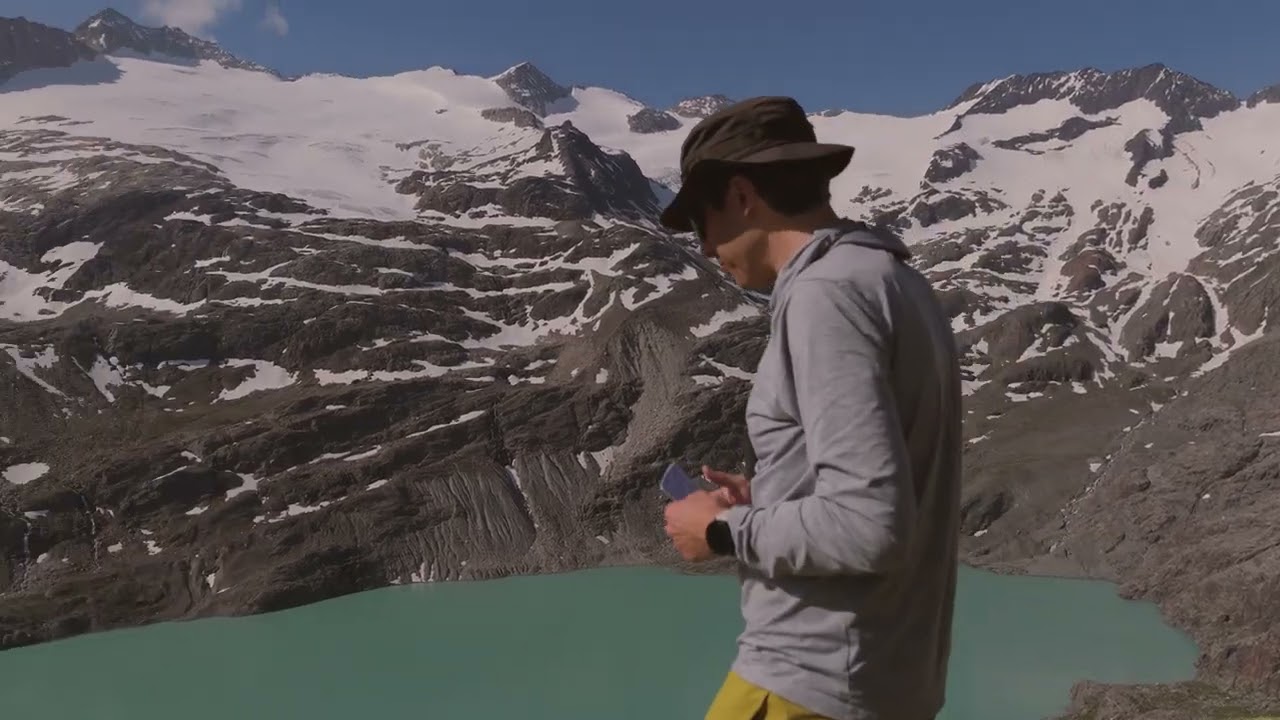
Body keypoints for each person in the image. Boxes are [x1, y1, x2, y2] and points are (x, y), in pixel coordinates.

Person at [659, 96, 963, 720]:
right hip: (884, 680)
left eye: (700, 219)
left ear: (742, 195)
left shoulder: (826, 294)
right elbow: (887, 476)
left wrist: (718, 530)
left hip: (807, 683)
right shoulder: (894, 280)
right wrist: (774, 491)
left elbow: (868, 525)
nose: (704, 246)